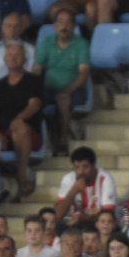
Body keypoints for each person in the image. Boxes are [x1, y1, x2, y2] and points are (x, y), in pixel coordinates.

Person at [0, 41, 43, 197]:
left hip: (30, 134)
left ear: (25, 59)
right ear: (4, 59)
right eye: (10, 55)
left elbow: (35, 104)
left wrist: (18, 119)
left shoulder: (33, 81)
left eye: (18, 55)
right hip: (3, 135)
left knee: (19, 127)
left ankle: (22, 174)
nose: (13, 58)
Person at [32, 8, 90, 155]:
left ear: (73, 26)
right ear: (55, 26)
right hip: (49, 88)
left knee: (64, 100)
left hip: (74, 89)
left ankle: (62, 140)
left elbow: (83, 74)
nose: (64, 26)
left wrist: (67, 91)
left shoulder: (81, 44)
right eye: (60, 22)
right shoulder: (47, 42)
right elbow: (37, 68)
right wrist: (32, 87)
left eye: (68, 23)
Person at [53, 146, 116, 227]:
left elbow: (108, 214)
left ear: (94, 166)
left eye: (85, 167)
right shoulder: (69, 178)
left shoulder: (105, 178)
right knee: (57, 224)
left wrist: (82, 219)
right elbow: (58, 214)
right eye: (77, 167)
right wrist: (73, 191)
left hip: (96, 224)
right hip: (73, 225)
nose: (81, 172)